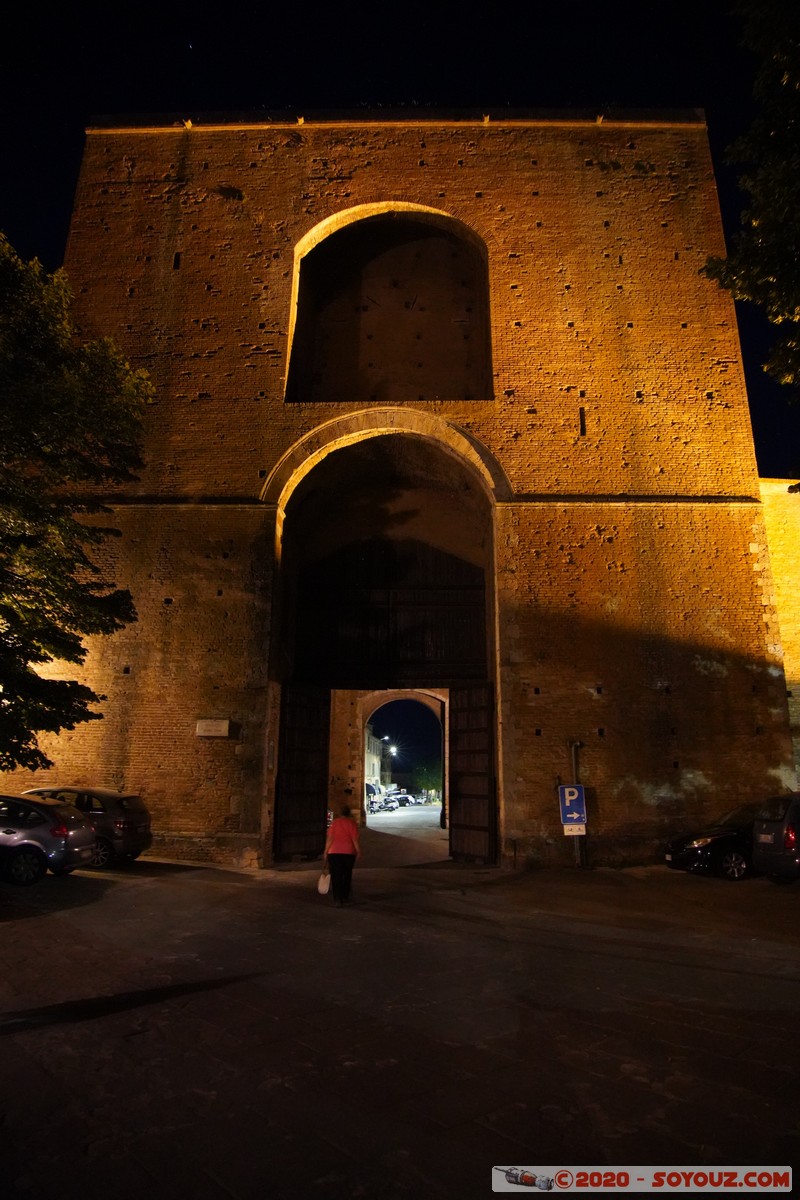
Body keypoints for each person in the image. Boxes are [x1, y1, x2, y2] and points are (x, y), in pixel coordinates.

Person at [324, 803, 361, 906]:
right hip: (348, 853)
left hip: (334, 853)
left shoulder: (334, 823)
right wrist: (358, 851)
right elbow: (354, 839)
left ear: (339, 813)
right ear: (349, 813)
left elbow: (330, 838)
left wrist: (325, 851)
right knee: (346, 875)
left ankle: (337, 899)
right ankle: (345, 896)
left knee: (336, 876)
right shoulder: (352, 823)